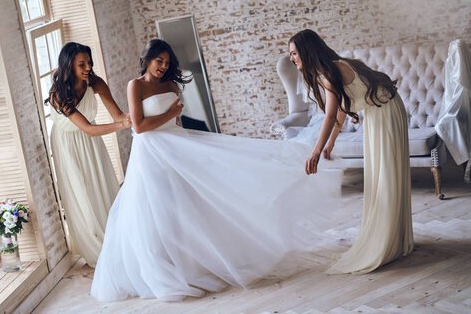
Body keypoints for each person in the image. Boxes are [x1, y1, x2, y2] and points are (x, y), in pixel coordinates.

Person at [90, 39, 342, 302]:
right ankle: (160, 269)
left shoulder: (171, 85)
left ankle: (190, 264)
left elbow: (175, 123)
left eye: (167, 62)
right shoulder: (136, 85)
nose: (163, 67)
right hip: (149, 155)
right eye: (159, 61)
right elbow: (140, 127)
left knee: (184, 208)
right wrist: (170, 114)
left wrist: (176, 123)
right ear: (148, 59)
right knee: (153, 212)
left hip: (176, 148)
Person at [288, 29, 414, 274]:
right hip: (383, 111)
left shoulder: (329, 71)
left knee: (385, 176)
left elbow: (331, 114)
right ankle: (392, 239)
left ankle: (388, 242)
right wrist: (331, 143)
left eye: (294, 53)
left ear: (306, 50)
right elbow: (344, 108)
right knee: (382, 175)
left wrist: (316, 151)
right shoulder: (332, 68)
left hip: (384, 112)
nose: (292, 58)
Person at [45, 42, 131, 267]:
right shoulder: (58, 95)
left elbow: (118, 114)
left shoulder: (95, 82)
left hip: (91, 143)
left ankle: (116, 235)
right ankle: (96, 244)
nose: (87, 68)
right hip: (69, 144)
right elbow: (89, 129)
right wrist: (121, 126)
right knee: (82, 192)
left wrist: (134, 118)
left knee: (101, 184)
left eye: (89, 63)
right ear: (68, 65)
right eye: (81, 64)